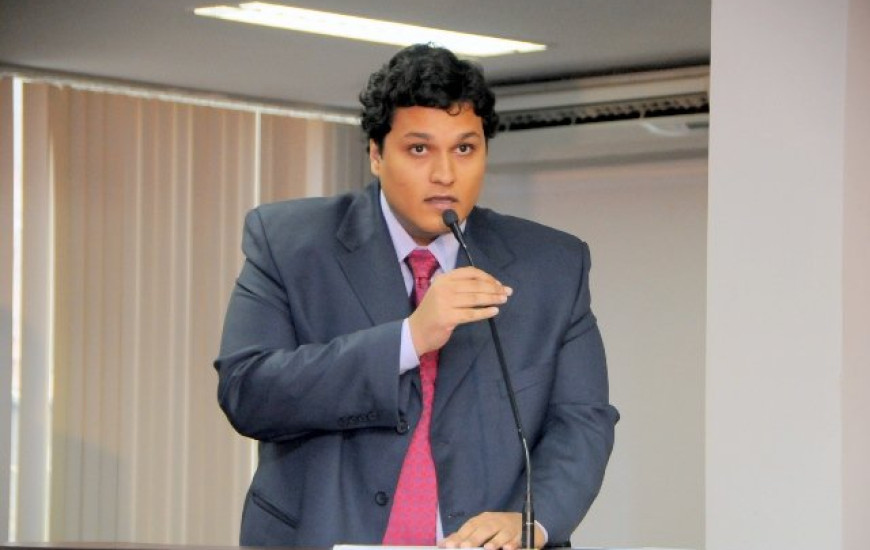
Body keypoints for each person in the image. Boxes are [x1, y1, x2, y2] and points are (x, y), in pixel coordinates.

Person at [214, 43, 618, 550]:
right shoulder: (290, 243)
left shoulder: (553, 264)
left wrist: (531, 520)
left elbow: (582, 420)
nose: (445, 174)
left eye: (465, 149)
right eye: (419, 149)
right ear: (376, 154)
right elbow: (248, 392)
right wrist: (408, 339)